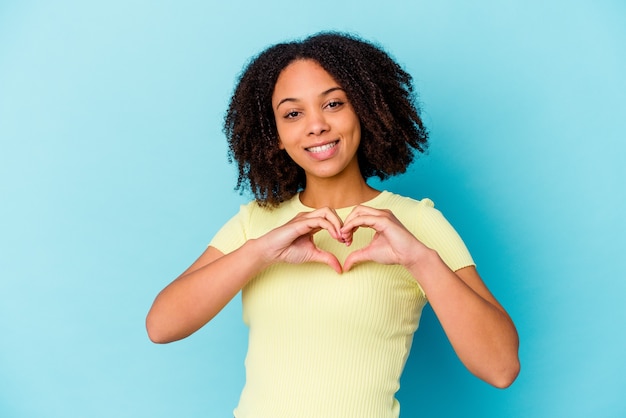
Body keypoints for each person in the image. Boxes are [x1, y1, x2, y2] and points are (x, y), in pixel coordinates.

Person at [146, 32, 520, 417]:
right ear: (274, 136)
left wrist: (420, 260)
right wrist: (260, 252)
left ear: (365, 110)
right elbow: (161, 326)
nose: (316, 125)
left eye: (334, 104)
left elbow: (501, 367)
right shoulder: (255, 223)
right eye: (293, 113)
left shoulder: (416, 222)